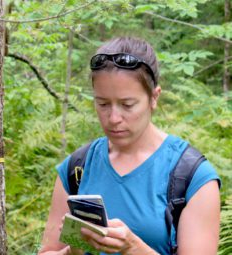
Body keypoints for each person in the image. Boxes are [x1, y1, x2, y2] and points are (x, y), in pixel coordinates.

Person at [38, 37, 221, 255]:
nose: (114, 118)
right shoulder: (77, 168)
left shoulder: (191, 177)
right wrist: (73, 250)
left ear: (154, 97)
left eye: (127, 105)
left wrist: (134, 248)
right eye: (103, 104)